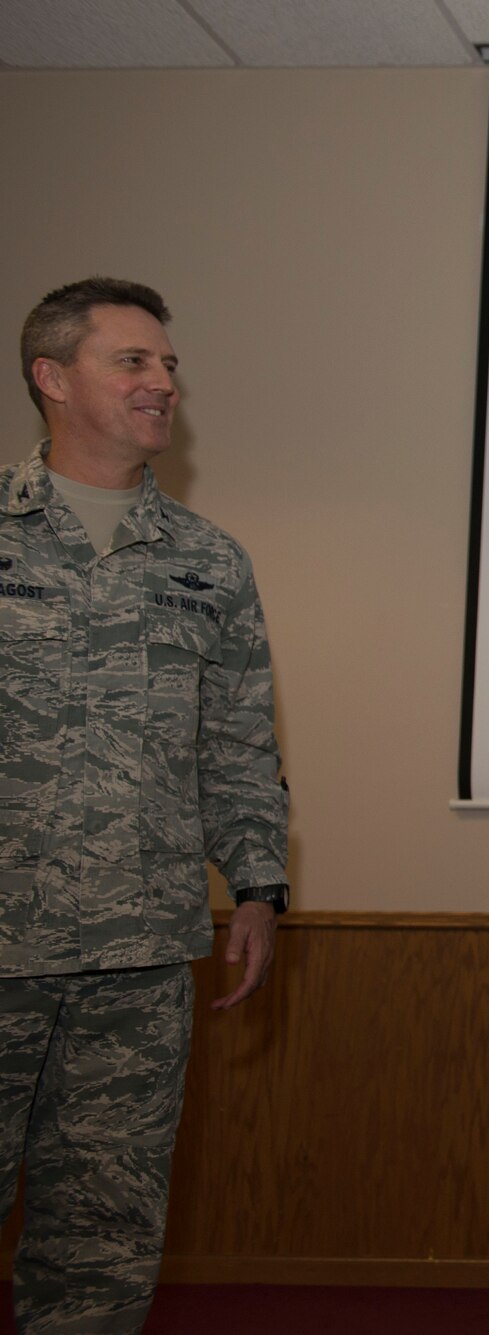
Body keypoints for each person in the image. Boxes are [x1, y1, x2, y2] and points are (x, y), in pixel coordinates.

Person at [1, 278, 290, 1332]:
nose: (163, 381)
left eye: (167, 364)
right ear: (51, 377)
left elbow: (238, 742)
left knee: (102, 1244)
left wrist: (258, 886)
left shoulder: (209, 562)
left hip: (139, 954)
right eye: (133, 360)